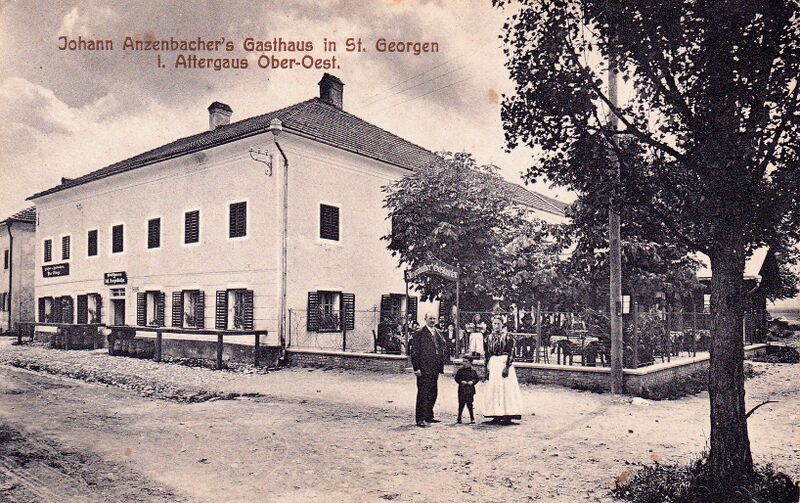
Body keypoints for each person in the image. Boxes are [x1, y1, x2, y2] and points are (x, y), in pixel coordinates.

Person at [483, 315, 523, 425]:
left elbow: (511, 352)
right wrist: (486, 369)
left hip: (504, 363)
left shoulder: (508, 337)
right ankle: (495, 414)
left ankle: (508, 415)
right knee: (494, 389)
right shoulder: (488, 338)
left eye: (498, 324)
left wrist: (507, 366)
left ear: (502, 325)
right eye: (494, 324)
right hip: (493, 364)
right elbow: (487, 354)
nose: (496, 326)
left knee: (506, 389)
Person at [409, 313, 447, 427]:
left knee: (433, 392)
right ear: (425, 319)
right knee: (423, 393)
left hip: (435, 368)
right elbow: (414, 352)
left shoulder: (438, 332)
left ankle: (429, 416)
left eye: (434, 318)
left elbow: (442, 347)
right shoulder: (419, 333)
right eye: (430, 318)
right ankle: (420, 418)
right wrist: (416, 368)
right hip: (424, 368)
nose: (432, 320)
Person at [454, 354, 479, 424]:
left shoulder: (473, 371)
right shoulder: (460, 371)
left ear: (470, 363)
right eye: (463, 361)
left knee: (470, 404)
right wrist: (461, 381)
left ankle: (472, 418)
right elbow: (456, 378)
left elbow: (476, 379)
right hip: (462, 389)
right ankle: (459, 417)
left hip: (470, 390)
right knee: (461, 404)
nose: (464, 363)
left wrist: (472, 382)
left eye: (466, 362)